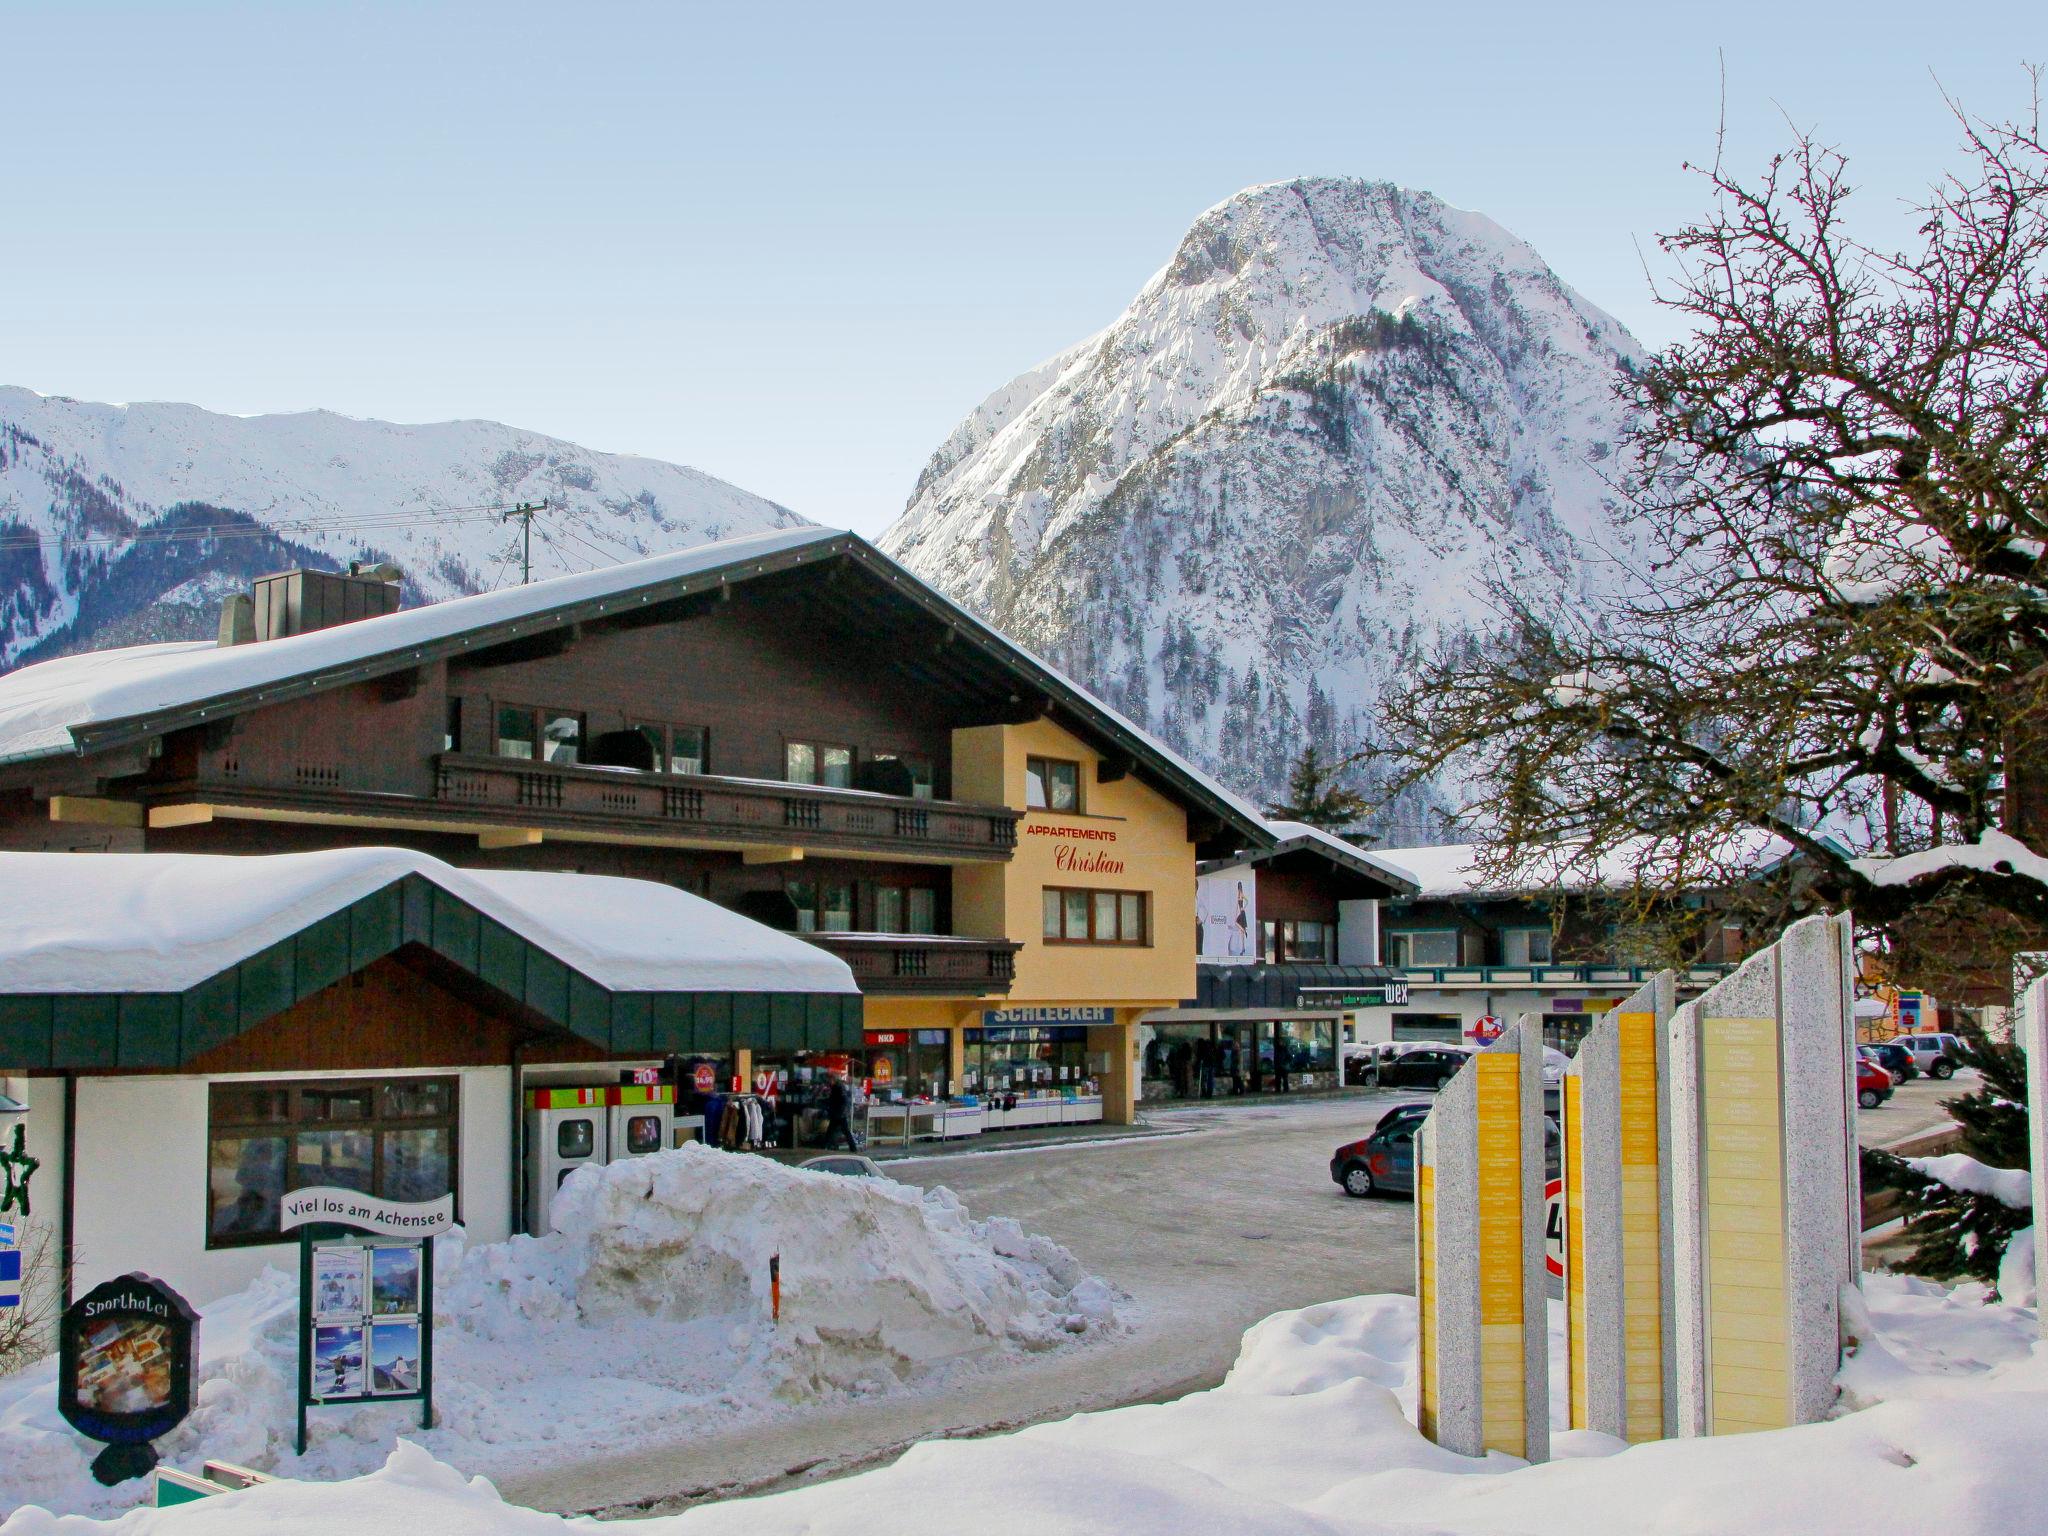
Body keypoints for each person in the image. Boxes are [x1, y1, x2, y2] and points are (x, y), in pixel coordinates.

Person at [823, 1071, 859, 1152]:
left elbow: (842, 1100)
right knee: (834, 1130)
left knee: (839, 1130)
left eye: (829, 1080)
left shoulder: (838, 1087)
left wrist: (839, 1110)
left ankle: (826, 1145)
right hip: (838, 1113)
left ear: (832, 1079)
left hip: (839, 1113)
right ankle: (826, 1145)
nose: (828, 1082)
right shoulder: (837, 1086)